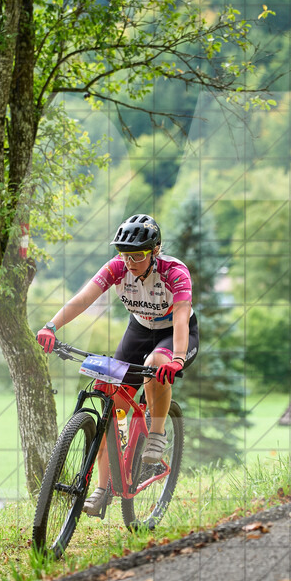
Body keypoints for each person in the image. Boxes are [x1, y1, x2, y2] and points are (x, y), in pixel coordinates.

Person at [36, 214, 198, 516]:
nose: (130, 262)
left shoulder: (175, 272)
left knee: (156, 363)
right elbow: (83, 299)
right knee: (112, 404)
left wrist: (177, 358)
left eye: (137, 255)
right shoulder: (117, 268)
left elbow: (180, 317)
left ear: (155, 251)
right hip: (138, 331)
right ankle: (102, 487)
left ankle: (157, 433)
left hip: (172, 335)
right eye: (124, 255)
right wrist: (52, 326)